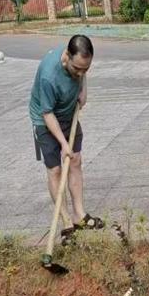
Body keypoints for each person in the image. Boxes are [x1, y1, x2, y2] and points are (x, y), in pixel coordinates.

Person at [29, 35, 104, 237]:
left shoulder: (79, 61)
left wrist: (83, 90)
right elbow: (47, 114)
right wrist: (63, 143)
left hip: (69, 113)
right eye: (77, 69)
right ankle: (65, 221)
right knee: (55, 170)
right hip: (46, 120)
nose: (80, 73)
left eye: (85, 69)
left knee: (76, 160)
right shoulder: (48, 76)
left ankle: (80, 214)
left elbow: (82, 73)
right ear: (67, 56)